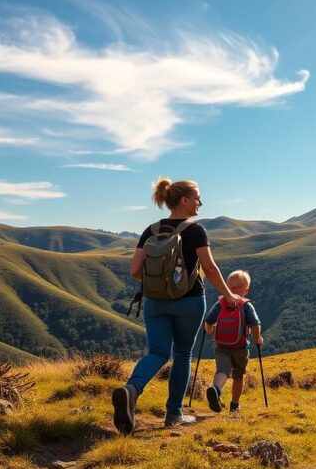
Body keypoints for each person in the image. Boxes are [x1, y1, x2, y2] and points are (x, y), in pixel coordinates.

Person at [112, 178, 245, 435]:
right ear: (184, 200)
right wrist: (228, 295)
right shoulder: (195, 230)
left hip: (154, 302)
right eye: (197, 198)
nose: (200, 203)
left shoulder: (150, 230)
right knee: (183, 353)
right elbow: (209, 268)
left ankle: (131, 390)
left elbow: (134, 271)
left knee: (158, 352)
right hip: (189, 301)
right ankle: (174, 414)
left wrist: (163, 284)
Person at [202, 270, 263, 413]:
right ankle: (234, 405)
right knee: (238, 376)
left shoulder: (220, 303)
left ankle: (216, 390)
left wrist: (210, 330)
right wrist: (258, 338)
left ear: (227, 287)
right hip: (241, 348)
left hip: (221, 346)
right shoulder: (246, 305)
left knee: (222, 370)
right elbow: (255, 324)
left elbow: (208, 322)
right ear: (246, 290)